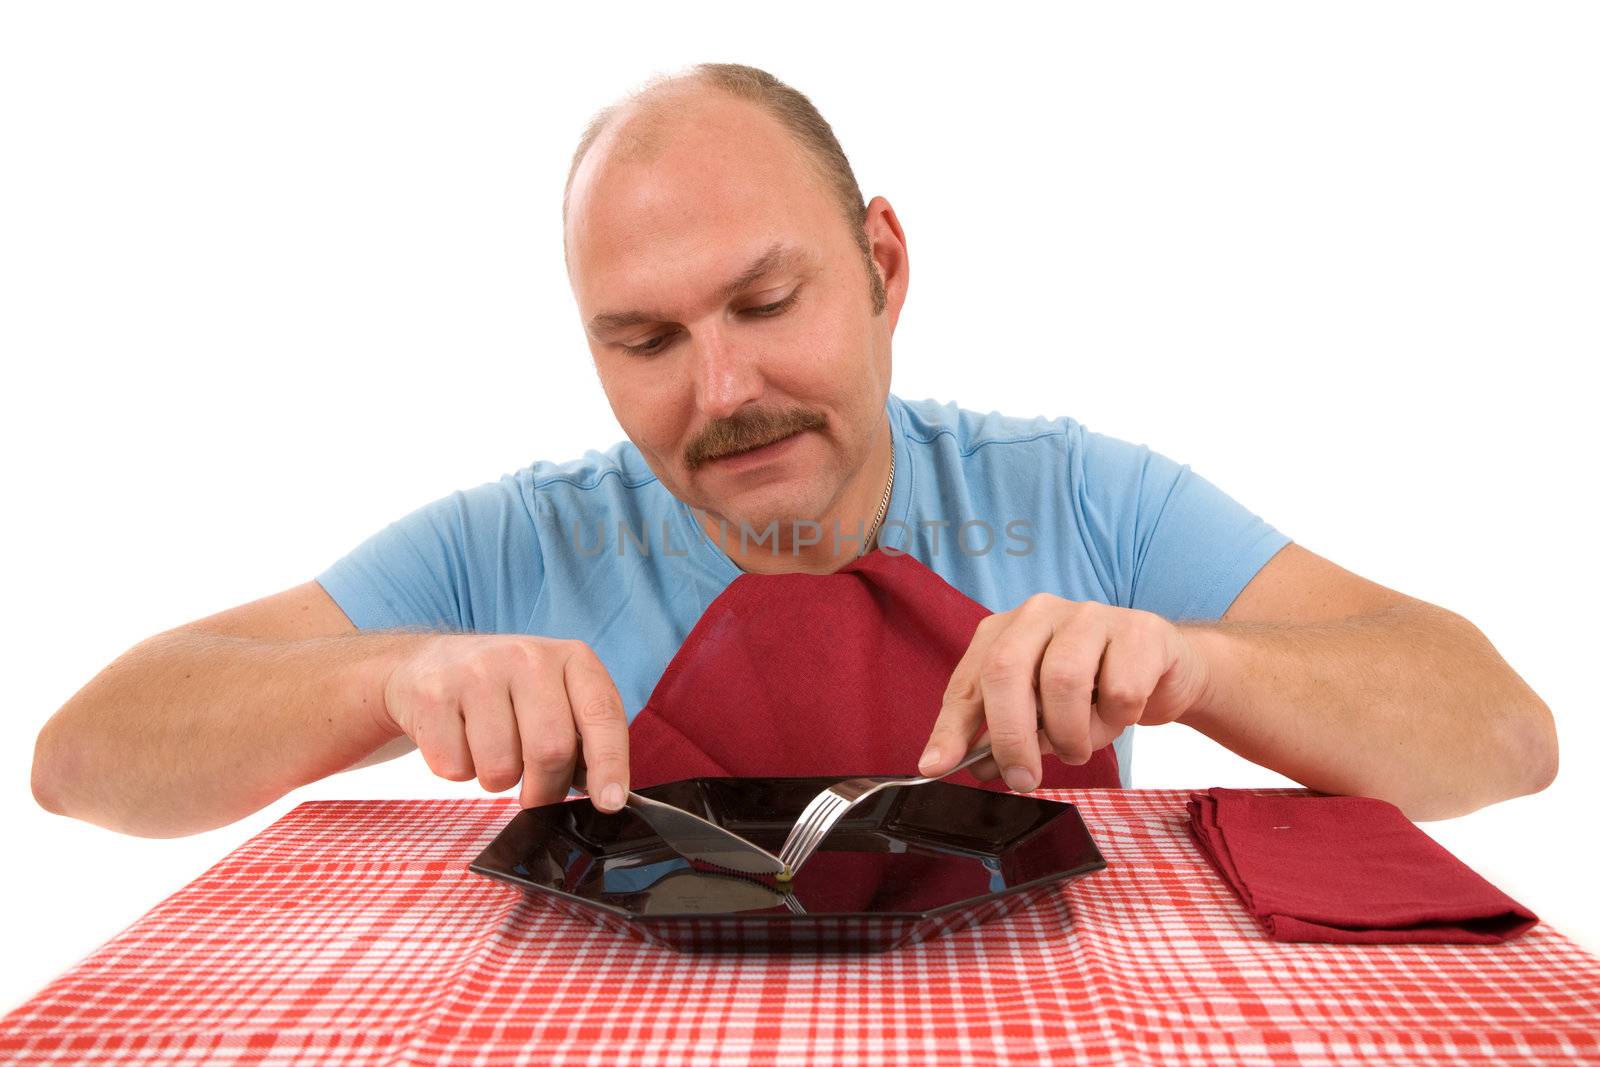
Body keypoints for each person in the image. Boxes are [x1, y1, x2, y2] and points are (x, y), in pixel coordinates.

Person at [31, 63, 1557, 839]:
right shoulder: (518, 546)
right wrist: (384, 679)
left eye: (769, 301)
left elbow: (1499, 733)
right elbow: (83, 762)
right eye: (644, 341)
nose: (723, 387)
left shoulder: (1076, 496)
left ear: (883, 263)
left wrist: (1197, 664)